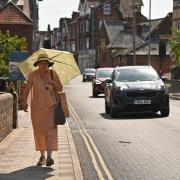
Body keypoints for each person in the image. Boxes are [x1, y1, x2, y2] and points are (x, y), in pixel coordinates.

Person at [22, 53, 63, 166]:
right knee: (39, 131)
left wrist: (53, 83)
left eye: (46, 63)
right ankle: (42, 156)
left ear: (49, 64)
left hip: (51, 107)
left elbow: (60, 88)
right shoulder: (33, 75)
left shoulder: (52, 73)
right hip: (37, 108)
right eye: (42, 63)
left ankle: (49, 157)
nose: (44, 65)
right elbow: (27, 89)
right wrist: (24, 101)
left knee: (50, 131)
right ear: (38, 64)